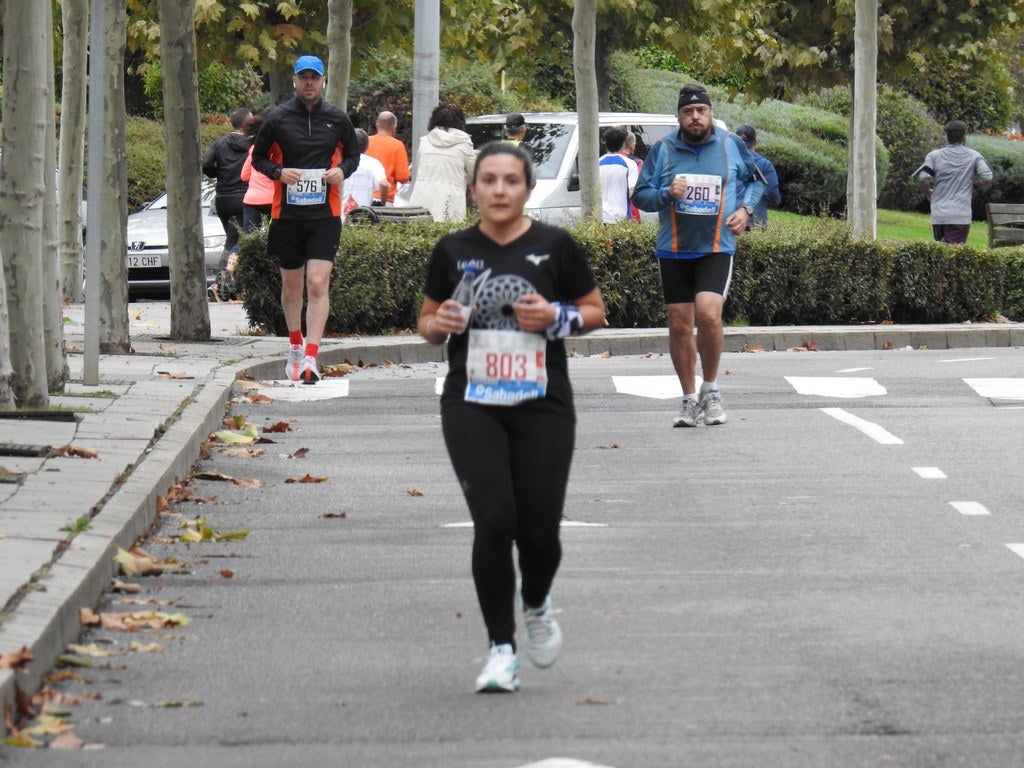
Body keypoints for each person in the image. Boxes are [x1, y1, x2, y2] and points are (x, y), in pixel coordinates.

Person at [417, 142, 606, 693]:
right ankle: (501, 648)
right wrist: (443, 323)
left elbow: (595, 311)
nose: (499, 190)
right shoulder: (453, 249)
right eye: (489, 180)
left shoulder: (556, 245)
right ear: (473, 189)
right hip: (472, 401)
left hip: (542, 403)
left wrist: (556, 316)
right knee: (495, 521)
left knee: (539, 532)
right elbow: (426, 323)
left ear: (526, 189)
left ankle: (537, 600)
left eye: (511, 181)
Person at [632, 84, 765, 428]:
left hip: (716, 246)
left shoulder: (730, 144)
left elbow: (758, 180)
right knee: (679, 324)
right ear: (678, 117)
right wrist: (666, 193)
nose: (695, 117)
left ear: (710, 113)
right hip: (673, 248)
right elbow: (641, 196)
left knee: (707, 316)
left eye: (701, 111)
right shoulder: (662, 149)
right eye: (688, 112)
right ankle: (690, 398)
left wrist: (747, 210)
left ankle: (712, 388)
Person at [251, 54, 360, 384]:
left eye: (315, 77)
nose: (309, 82)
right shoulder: (278, 118)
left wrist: (342, 170)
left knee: (317, 282)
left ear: (323, 80)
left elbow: (354, 155)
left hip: (325, 214)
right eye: (304, 77)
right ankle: (295, 346)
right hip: (287, 214)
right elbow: (258, 158)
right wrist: (279, 172)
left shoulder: (338, 119)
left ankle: (311, 356)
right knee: (292, 288)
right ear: (295, 81)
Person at [913, 120, 993, 244]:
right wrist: (974, 185)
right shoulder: (974, 156)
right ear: (964, 137)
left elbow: (923, 178)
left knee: (941, 253)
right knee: (952, 256)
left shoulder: (934, 156)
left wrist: (928, 192)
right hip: (960, 215)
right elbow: (987, 176)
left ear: (947, 137)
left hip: (939, 215)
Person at [202, 106, 253, 289]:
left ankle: (234, 284)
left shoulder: (219, 143)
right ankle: (222, 277)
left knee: (233, 239)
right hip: (244, 197)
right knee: (237, 241)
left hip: (223, 198)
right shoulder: (252, 145)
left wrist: (219, 174)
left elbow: (206, 164)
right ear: (247, 123)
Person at [408, 103, 476, 222]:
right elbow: (474, 172)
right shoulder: (464, 144)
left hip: (422, 201)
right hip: (451, 203)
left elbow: (419, 168)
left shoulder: (424, 142)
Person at [735, 124, 781, 228]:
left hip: (732, 221)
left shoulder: (728, 161)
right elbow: (773, 194)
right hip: (756, 223)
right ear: (755, 142)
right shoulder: (765, 164)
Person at [341, 128, 389, 216]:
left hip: (340, 212)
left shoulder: (340, 161)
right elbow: (384, 184)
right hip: (363, 214)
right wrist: (382, 204)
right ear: (367, 145)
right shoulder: (373, 163)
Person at [365, 111, 410, 204]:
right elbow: (403, 176)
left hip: (364, 194)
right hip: (385, 198)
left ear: (377, 125)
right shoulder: (397, 146)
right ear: (394, 128)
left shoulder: (366, 142)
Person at [240, 112, 274, 233]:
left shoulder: (255, 148)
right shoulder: (284, 148)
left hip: (253, 200)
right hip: (276, 200)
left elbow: (244, 176)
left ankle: (236, 252)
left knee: (249, 241)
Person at [598, 126, 639, 223]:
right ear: (624, 144)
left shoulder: (597, 163)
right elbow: (632, 193)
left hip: (601, 218)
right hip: (622, 218)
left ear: (606, 144)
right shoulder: (630, 164)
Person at [622, 130, 644, 220]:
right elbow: (637, 185)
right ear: (631, 144)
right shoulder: (636, 162)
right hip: (630, 209)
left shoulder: (604, 160)